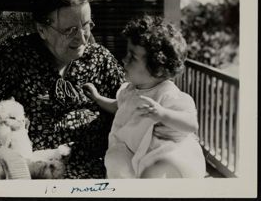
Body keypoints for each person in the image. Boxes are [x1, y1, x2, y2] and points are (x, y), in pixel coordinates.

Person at [0, 0, 125, 179]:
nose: (83, 38)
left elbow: (134, 99)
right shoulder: (13, 57)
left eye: (86, 25)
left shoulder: (100, 59)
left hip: (101, 174)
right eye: (70, 30)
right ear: (42, 30)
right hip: (32, 176)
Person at [83, 15, 206, 178]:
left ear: (158, 69)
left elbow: (191, 124)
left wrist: (163, 114)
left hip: (161, 155)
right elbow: (118, 106)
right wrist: (98, 98)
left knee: (155, 172)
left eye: (132, 57)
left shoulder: (168, 93)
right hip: (133, 153)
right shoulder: (130, 90)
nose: (124, 59)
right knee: (118, 167)